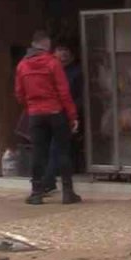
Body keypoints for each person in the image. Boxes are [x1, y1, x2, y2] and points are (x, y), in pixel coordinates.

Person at [15, 31, 79, 205]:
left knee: (38, 152)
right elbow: (64, 92)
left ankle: (36, 193)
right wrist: (72, 116)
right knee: (63, 151)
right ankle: (68, 193)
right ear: (45, 45)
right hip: (55, 113)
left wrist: (31, 108)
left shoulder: (22, 65)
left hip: (35, 115)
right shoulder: (53, 63)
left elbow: (19, 94)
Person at [42, 43, 84, 194]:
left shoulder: (76, 72)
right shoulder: (49, 70)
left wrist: (73, 113)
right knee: (50, 148)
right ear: (54, 53)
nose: (63, 53)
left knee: (56, 148)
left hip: (65, 114)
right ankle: (52, 181)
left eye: (66, 49)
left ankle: (48, 181)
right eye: (60, 50)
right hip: (49, 113)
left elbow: (78, 96)